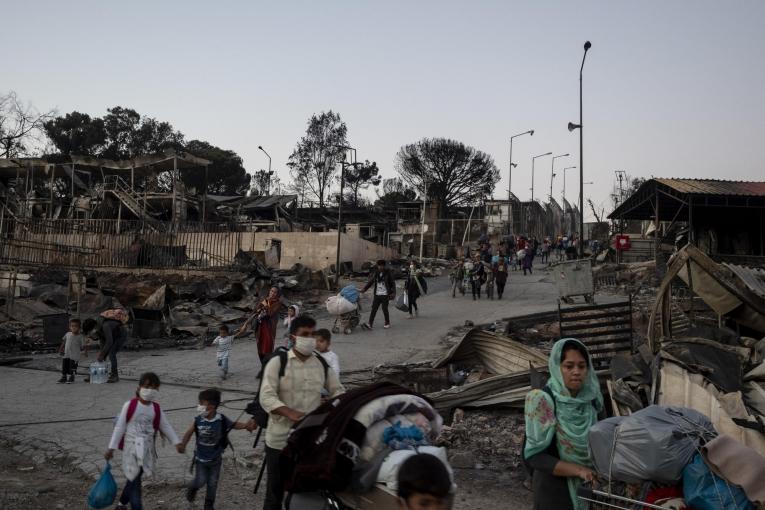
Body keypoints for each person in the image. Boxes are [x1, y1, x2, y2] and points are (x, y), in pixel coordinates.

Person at [259, 315, 345, 510]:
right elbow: (266, 396)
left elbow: (338, 391)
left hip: (310, 443)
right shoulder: (278, 362)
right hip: (279, 441)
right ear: (293, 337)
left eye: (312, 334)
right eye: (304, 334)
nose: (310, 338)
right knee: (275, 494)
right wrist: (289, 412)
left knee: (306, 494)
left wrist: (331, 409)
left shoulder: (322, 364)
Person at [523, 339, 604, 510]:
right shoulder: (542, 400)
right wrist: (579, 471)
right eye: (569, 366)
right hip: (553, 492)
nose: (576, 372)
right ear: (557, 368)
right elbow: (534, 457)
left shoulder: (593, 401)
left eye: (582, 366)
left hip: (588, 487)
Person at [105, 372, 183, 510]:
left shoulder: (156, 408)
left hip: (146, 450)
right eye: (147, 386)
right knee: (135, 483)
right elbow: (120, 427)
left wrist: (177, 442)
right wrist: (111, 448)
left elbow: (165, 426)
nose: (150, 390)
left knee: (134, 478)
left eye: (153, 387)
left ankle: (121, 504)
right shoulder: (130, 405)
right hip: (131, 450)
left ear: (157, 390)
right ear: (139, 387)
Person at [179, 389, 256, 510]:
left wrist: (246, 425)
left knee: (213, 483)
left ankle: (209, 505)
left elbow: (234, 425)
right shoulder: (198, 420)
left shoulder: (221, 419)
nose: (199, 406)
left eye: (201, 403)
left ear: (212, 406)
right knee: (201, 481)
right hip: (201, 460)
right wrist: (182, 445)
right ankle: (192, 488)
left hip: (216, 460)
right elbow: (189, 433)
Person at [84, 308, 129, 383]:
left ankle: (115, 375)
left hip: (120, 335)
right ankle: (94, 373)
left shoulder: (105, 326)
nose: (90, 334)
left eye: (90, 332)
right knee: (102, 355)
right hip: (112, 335)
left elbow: (109, 342)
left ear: (93, 328)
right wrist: (102, 353)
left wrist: (102, 353)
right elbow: (102, 341)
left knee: (112, 353)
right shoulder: (98, 329)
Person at [361, 259, 395, 330]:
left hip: (385, 294)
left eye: (381, 266)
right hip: (377, 294)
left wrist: (393, 293)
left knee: (384, 309)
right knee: (374, 309)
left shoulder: (388, 273)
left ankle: (387, 322)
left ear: (384, 266)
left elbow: (392, 283)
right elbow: (371, 282)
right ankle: (370, 324)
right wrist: (364, 289)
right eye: (379, 266)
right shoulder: (376, 273)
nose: (380, 267)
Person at [255, 286, 283, 362]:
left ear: (277, 294)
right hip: (261, 327)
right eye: (271, 291)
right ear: (269, 291)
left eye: (275, 292)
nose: (273, 293)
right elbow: (256, 310)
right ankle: (263, 365)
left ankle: (268, 365)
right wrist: (261, 305)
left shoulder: (278, 303)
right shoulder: (264, 300)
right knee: (260, 347)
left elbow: (270, 313)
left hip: (269, 328)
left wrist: (266, 305)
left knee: (267, 347)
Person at [58, 318, 85, 384]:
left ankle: (71, 377)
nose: (74, 328)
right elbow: (64, 341)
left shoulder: (81, 336)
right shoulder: (67, 334)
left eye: (76, 326)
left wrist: (84, 348)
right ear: (69, 327)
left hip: (74, 355)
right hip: (66, 354)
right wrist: (61, 349)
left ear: (79, 327)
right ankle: (64, 377)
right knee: (65, 365)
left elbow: (82, 347)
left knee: (72, 367)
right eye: (72, 326)